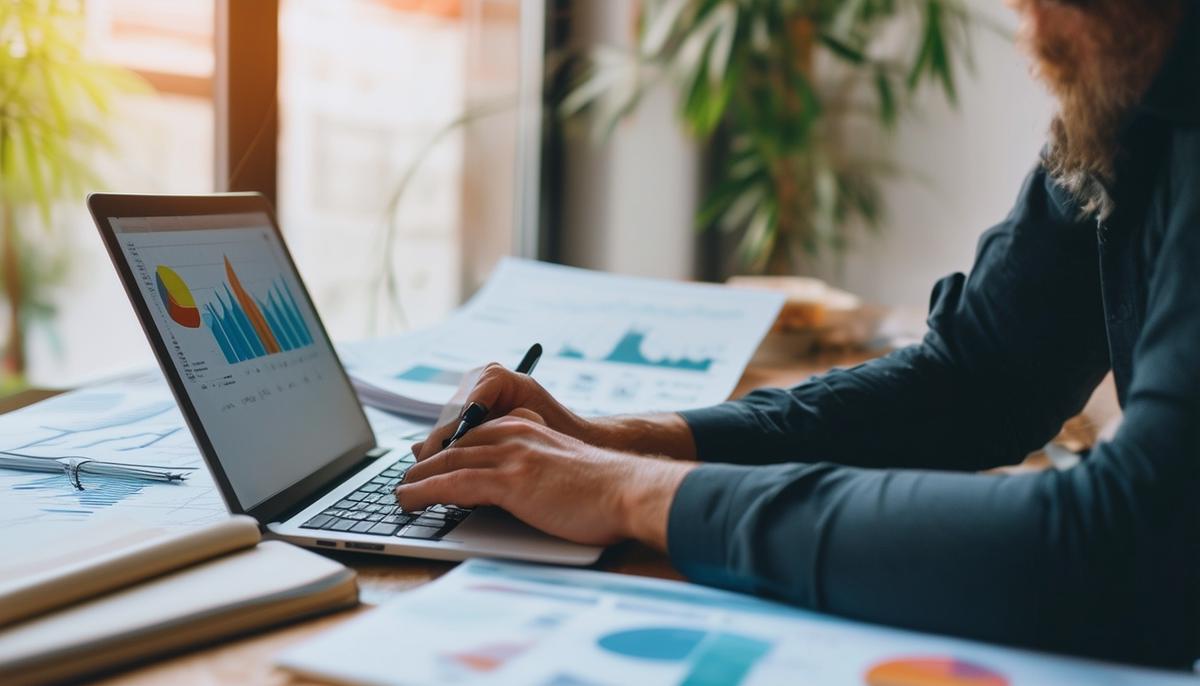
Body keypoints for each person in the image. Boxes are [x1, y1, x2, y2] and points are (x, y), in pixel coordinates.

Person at [396, 0, 1199, 669]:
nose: (1023, 16)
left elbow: (1129, 548)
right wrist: (620, 443)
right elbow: (978, 376)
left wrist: (627, 494)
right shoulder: (1136, 84)